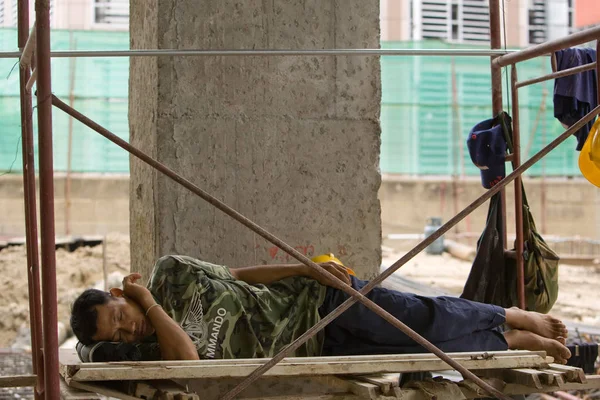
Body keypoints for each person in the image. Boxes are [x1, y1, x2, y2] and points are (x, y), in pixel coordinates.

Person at [70, 255, 572, 364]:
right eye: (118, 336)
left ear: (118, 295)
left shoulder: (171, 270)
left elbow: (239, 276)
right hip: (318, 343)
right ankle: (509, 341)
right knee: (426, 351)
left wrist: (307, 269)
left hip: (320, 301)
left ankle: (507, 315)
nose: (127, 330)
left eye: (119, 317)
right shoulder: (159, 343)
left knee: (424, 318)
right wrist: (148, 312)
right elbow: (191, 362)